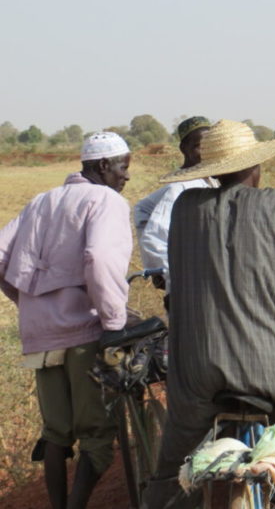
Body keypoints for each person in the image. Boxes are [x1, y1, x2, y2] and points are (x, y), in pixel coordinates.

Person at [142, 120, 275, 509]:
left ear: (210, 171)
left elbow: (177, 283)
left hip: (196, 369)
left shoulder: (185, 208)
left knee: (172, 466)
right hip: (272, 368)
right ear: (256, 166)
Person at [0, 132, 132, 509]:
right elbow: (101, 258)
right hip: (84, 333)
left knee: (56, 432)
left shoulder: (42, 201)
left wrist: (28, 303)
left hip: (41, 336)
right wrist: (114, 322)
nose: (126, 176)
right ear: (103, 166)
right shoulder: (105, 200)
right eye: (123, 167)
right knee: (96, 434)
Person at [133, 116, 214, 291]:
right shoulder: (181, 188)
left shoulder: (210, 180)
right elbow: (152, 235)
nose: (207, 152)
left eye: (211, 146)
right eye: (200, 146)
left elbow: (142, 208)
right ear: (184, 149)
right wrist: (164, 271)